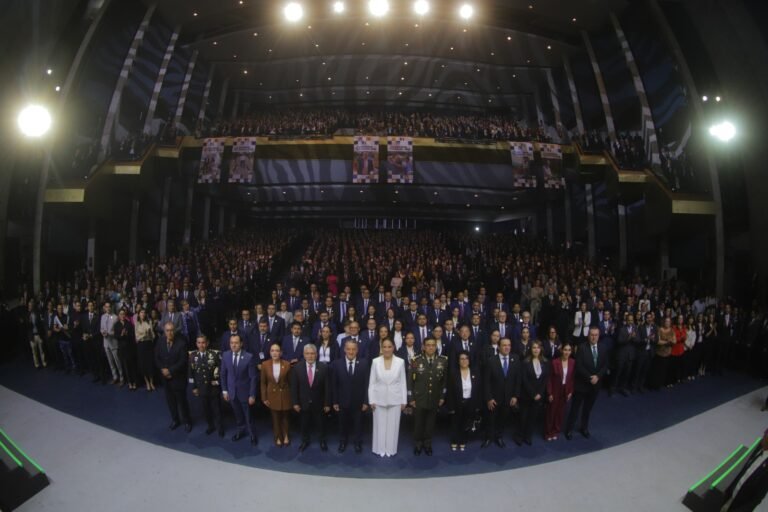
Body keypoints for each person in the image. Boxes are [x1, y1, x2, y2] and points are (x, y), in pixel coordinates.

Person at [408, 338, 448, 456]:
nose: (431, 347)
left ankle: (427, 443)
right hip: (419, 398)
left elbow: (444, 381)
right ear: (423, 347)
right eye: (428, 345)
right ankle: (418, 443)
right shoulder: (416, 360)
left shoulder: (443, 361)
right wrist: (411, 398)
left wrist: (442, 397)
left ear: (436, 347)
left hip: (435, 397)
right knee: (419, 423)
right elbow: (410, 381)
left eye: (433, 345)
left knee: (430, 423)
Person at [565, 327, 606, 440]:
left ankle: (584, 428)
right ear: (588, 335)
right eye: (592, 335)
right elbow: (579, 366)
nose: (594, 337)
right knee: (575, 409)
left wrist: (597, 376)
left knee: (587, 409)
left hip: (595, 385)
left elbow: (605, 365)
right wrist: (589, 377)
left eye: (596, 335)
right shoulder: (582, 348)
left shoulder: (603, 348)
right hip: (582, 385)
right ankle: (569, 429)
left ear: (599, 336)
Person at [368, 338, 407, 457]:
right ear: (381, 348)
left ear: (393, 348)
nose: (387, 349)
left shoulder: (400, 362)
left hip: (396, 399)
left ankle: (390, 450)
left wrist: (404, 401)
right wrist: (371, 399)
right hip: (378, 399)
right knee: (379, 425)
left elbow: (403, 383)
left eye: (389, 346)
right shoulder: (375, 362)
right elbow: (372, 382)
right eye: (384, 346)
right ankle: (379, 449)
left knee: (393, 426)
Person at [331, 340, 370, 453]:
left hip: (358, 402)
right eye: (348, 349)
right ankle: (343, 442)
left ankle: (357, 443)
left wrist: (365, 401)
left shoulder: (364, 363)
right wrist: (335, 402)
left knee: (358, 424)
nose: (351, 351)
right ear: (344, 350)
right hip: (342, 401)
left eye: (353, 349)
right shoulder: (337, 364)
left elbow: (367, 384)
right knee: (342, 424)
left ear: (357, 350)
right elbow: (334, 384)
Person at [290, 344, 330, 452]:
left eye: (312, 353)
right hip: (303, 403)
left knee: (321, 424)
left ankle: (322, 441)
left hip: (319, 403)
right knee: (304, 424)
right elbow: (294, 387)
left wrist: (327, 403)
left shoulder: (324, 367)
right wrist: (295, 403)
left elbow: (327, 387)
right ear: (304, 354)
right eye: (307, 353)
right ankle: (305, 441)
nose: (310, 356)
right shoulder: (297, 368)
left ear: (316, 355)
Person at [482, 338, 521, 448]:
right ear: (499, 347)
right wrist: (489, 398)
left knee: (502, 419)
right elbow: (486, 382)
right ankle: (488, 438)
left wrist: (515, 396)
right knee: (490, 419)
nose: (507, 347)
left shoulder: (516, 359)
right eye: (504, 345)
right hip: (493, 398)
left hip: (508, 398)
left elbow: (518, 379)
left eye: (509, 345)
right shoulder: (491, 360)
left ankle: (499, 437)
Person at [221, 334, 258, 444]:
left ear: (241, 344)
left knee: (248, 416)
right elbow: (223, 374)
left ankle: (252, 434)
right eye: (231, 343)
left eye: (236, 343)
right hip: (232, 393)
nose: (233, 345)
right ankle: (240, 431)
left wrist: (252, 394)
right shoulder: (225, 355)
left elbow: (253, 378)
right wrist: (225, 390)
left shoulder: (249, 357)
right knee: (237, 415)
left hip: (245, 393)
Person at [155, 322, 191, 432]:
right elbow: (157, 357)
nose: (169, 333)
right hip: (165, 379)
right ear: (164, 331)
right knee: (170, 401)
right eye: (167, 330)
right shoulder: (160, 341)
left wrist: (170, 370)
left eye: (171, 330)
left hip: (178, 378)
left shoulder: (181, 343)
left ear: (174, 331)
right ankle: (175, 420)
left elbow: (183, 361)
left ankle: (187, 421)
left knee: (182, 402)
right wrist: (163, 370)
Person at [721, 428, 768, 511]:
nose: (764, 434)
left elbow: (756, 499)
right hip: (729, 495)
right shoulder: (758, 447)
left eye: (766, 435)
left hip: (739, 506)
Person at [188, 335, 224, 436]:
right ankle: (210, 426)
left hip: (213, 388)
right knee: (206, 409)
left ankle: (220, 427)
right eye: (199, 343)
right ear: (196, 344)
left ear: (207, 343)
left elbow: (221, 371)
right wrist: (194, 387)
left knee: (217, 409)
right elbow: (191, 373)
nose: (201, 345)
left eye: (203, 342)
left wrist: (217, 382)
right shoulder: (192, 356)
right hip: (201, 388)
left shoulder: (214, 354)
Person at [447, 350, 481, 451]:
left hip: (470, 402)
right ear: (458, 361)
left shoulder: (475, 372)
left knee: (466, 423)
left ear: (469, 360)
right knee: (455, 423)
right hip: (457, 402)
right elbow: (450, 391)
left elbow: (478, 389)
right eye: (461, 359)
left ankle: (462, 440)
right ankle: (454, 440)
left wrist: (477, 405)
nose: (464, 361)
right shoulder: (453, 373)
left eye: (466, 358)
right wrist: (451, 406)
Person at [260, 343, 292, 447]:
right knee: (275, 418)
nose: (275, 352)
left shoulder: (287, 364)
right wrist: (264, 398)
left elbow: (291, 382)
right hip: (272, 395)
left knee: (285, 417)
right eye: (272, 350)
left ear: (281, 353)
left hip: (285, 394)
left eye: (277, 350)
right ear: (269, 352)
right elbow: (263, 383)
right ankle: (277, 436)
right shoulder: (265, 365)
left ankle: (286, 435)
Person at [519, 340, 549, 445]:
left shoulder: (545, 362)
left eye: (538, 347)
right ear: (530, 349)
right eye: (534, 348)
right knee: (523, 417)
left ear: (541, 349)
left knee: (532, 417)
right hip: (526, 395)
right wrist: (533, 393)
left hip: (538, 396)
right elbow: (524, 380)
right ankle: (520, 436)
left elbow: (545, 379)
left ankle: (528, 436)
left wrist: (540, 393)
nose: (536, 350)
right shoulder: (525, 362)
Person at [545, 342, 575, 441]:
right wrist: (549, 393)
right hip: (555, 390)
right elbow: (549, 379)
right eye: (565, 350)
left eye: (569, 350)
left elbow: (572, 379)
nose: (567, 352)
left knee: (560, 412)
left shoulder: (573, 362)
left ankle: (556, 431)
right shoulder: (555, 362)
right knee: (551, 412)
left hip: (565, 390)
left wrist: (570, 391)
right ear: (561, 350)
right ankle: (548, 432)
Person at [115, 309, 138, 390]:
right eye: (120, 314)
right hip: (122, 349)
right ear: (118, 315)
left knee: (132, 366)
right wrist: (121, 334)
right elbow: (116, 337)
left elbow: (132, 335)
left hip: (129, 348)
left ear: (125, 315)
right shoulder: (116, 325)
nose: (122, 315)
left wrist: (127, 334)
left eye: (123, 314)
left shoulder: (129, 324)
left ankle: (134, 382)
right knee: (125, 367)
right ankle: (129, 382)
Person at [100, 303, 123, 385]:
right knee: (111, 362)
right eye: (106, 307)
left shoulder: (115, 317)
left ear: (111, 307)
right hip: (106, 342)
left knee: (117, 362)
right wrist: (102, 332)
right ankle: (115, 377)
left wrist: (109, 333)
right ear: (104, 308)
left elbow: (117, 331)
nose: (108, 308)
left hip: (113, 342)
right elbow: (101, 328)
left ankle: (121, 378)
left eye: (109, 306)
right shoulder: (102, 317)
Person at [134, 308, 156, 391]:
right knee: (143, 364)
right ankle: (147, 382)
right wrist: (144, 334)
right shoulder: (136, 324)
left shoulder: (149, 322)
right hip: (141, 346)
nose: (142, 314)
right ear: (138, 314)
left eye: (144, 312)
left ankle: (151, 382)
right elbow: (137, 338)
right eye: (141, 312)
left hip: (149, 345)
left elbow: (153, 336)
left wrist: (149, 333)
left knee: (150, 363)